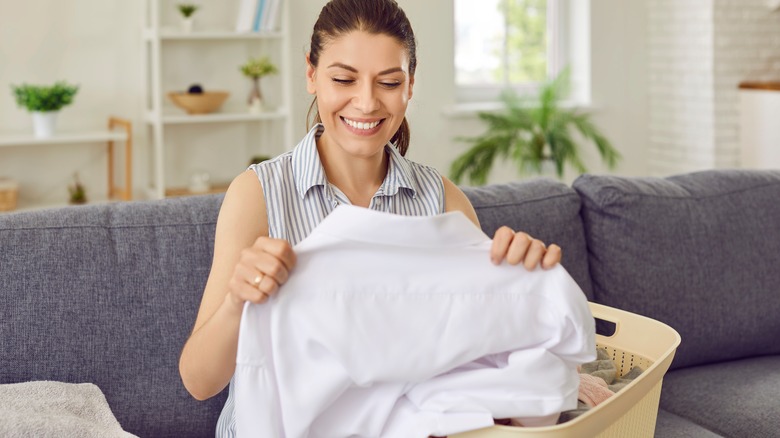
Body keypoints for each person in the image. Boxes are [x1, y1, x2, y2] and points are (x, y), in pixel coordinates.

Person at [178, 0, 563, 435]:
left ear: (410, 85)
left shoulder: (442, 203)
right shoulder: (259, 195)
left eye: (389, 82)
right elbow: (199, 381)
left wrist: (520, 283)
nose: (365, 102)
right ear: (311, 74)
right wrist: (237, 301)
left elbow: (480, 362)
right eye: (343, 79)